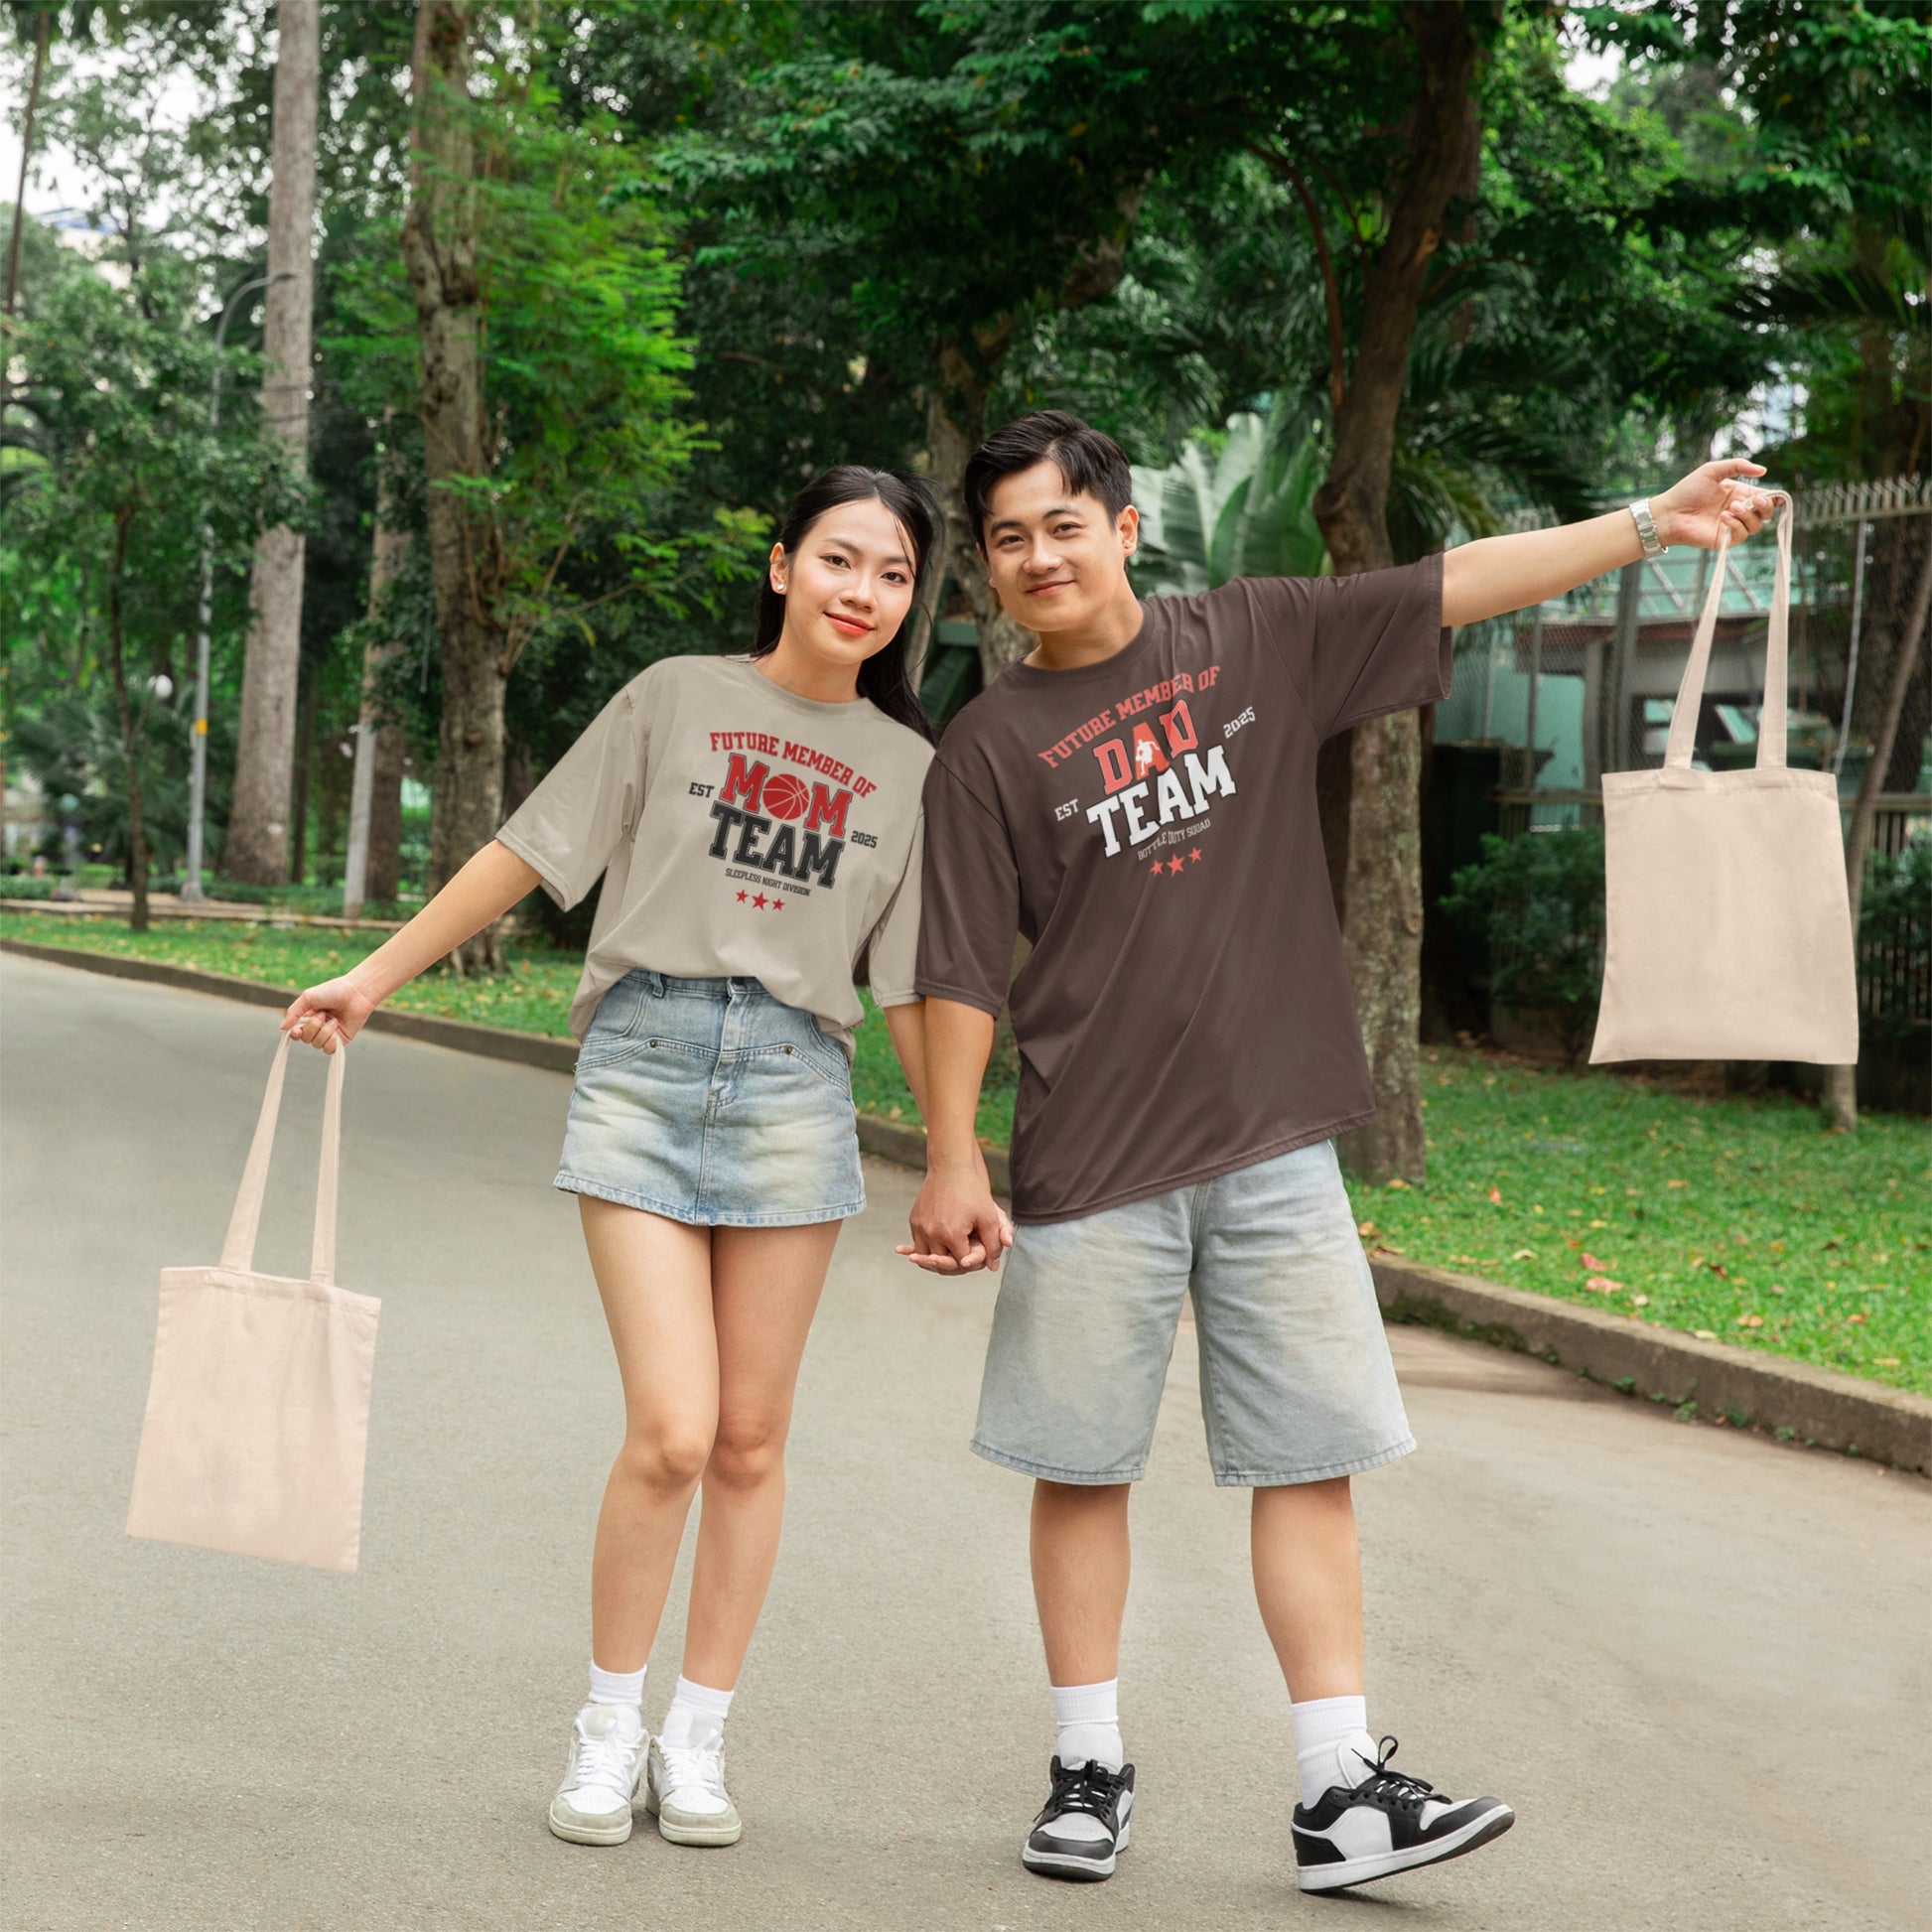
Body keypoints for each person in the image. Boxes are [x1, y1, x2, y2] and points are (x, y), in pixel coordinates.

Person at [901, 410, 1778, 1894]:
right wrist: (948, 1153)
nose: (1037, 556)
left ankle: (1338, 1791)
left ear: (1123, 527)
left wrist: (1651, 520)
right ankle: (1085, 1765)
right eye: (1006, 539)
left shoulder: (1252, 637)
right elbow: (959, 968)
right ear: (986, 570)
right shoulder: (986, 747)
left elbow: (1456, 581)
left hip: (1271, 1145)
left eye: (1061, 523)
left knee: (1308, 1461)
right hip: (1091, 1153)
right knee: (1081, 1466)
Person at [282, 467, 957, 1852]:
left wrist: (958, 1153)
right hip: (645, 1066)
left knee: (752, 1441)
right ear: (780, 564)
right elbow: (530, 849)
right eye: (839, 560)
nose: (862, 594)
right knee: (672, 1433)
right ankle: (606, 1723)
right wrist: (374, 976)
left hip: (793, 1082)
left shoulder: (912, 770)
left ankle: (695, 1738)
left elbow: (910, 982)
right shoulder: (673, 697)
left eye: (891, 575)